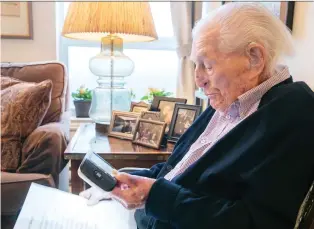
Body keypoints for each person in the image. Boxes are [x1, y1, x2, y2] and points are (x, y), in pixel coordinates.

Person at [80, 3, 314, 229]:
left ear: (254, 58)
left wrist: (155, 197)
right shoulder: (228, 99)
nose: (198, 79)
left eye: (207, 66)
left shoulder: (294, 112)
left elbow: (256, 222)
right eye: (195, 65)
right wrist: (132, 179)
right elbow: (182, 169)